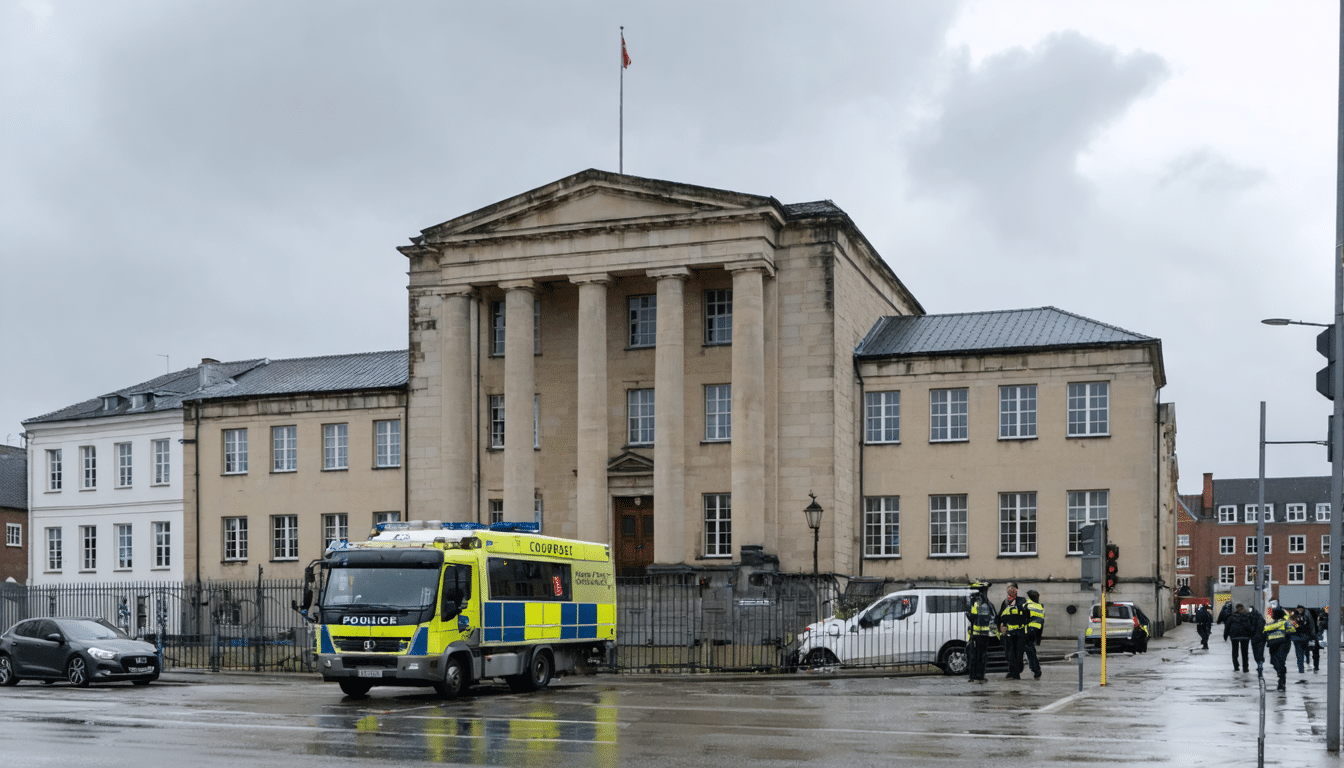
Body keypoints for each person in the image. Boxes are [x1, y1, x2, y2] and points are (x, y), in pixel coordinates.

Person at [964, 582, 996, 683]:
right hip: (982, 634)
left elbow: (970, 615)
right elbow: (992, 616)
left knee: (976, 655)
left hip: (978, 634)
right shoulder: (984, 602)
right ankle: (978, 676)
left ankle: (974, 676)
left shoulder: (974, 601)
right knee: (980, 655)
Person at [998, 583, 1030, 679]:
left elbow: (1027, 615)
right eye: (1008, 587)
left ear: (1016, 589)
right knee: (1010, 654)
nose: (1010, 589)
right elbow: (1001, 616)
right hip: (1009, 632)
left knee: (1018, 654)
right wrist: (1001, 627)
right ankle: (1012, 671)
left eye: (1012, 588)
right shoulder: (1005, 602)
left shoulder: (1022, 601)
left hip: (1020, 632)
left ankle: (1016, 673)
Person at [1263, 606, 1297, 692]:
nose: (1272, 615)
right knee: (1273, 661)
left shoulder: (1285, 622)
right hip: (1273, 644)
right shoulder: (1271, 623)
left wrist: (1285, 630)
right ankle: (1281, 673)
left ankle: (1281, 681)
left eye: (1273, 613)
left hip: (1283, 644)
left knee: (1280, 661)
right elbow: (1264, 632)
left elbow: (1293, 629)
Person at [1226, 603, 1256, 672]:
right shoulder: (1248, 615)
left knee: (1235, 651)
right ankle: (1245, 668)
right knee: (1245, 652)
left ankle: (1236, 666)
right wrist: (1252, 634)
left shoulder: (1232, 616)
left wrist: (1226, 635)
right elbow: (1252, 625)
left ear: (1236, 608)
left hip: (1234, 636)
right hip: (1245, 636)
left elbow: (1227, 626)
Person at [1290, 605, 1317, 679]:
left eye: (1301, 609)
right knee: (1299, 653)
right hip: (1299, 638)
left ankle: (1302, 667)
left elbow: (1311, 625)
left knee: (1304, 652)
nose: (1300, 610)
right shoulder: (1294, 616)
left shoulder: (1305, 615)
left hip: (1304, 637)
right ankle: (1301, 668)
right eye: (1299, 609)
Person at [1024, 590, 1045, 679]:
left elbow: (1023, 618)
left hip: (1028, 630)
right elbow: (1042, 621)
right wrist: (1039, 637)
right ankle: (1035, 669)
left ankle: (1036, 670)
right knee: (1031, 650)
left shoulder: (1027, 605)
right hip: (1036, 631)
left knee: (1029, 651)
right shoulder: (1040, 606)